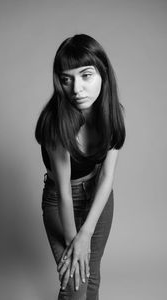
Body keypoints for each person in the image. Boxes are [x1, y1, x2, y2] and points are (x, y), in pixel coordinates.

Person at [35, 33, 125, 300]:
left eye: (86, 75)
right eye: (67, 79)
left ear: (102, 74)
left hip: (98, 194)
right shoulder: (56, 124)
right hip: (62, 200)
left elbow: (107, 176)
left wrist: (87, 233)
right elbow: (63, 192)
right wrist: (78, 240)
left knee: (92, 276)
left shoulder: (111, 114)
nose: (76, 89)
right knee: (76, 284)